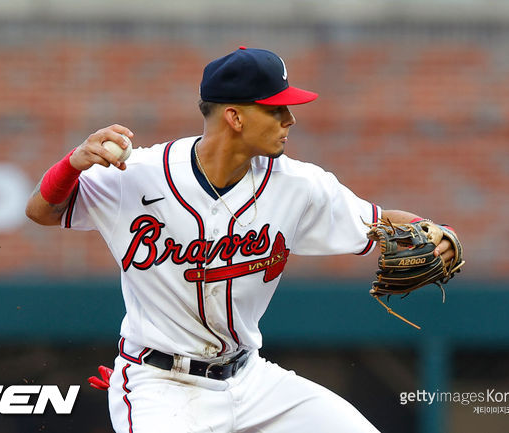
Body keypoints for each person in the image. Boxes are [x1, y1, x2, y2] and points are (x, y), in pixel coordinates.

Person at [26, 47, 456, 433]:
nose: (290, 120)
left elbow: (379, 222)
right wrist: (72, 162)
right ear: (234, 116)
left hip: (250, 379)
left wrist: (435, 231)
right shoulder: (137, 175)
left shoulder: (299, 185)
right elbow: (42, 212)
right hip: (160, 384)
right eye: (276, 110)